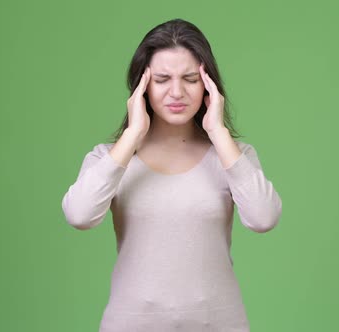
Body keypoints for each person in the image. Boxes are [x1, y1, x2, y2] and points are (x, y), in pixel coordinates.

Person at [61, 18, 283, 332]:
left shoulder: (233, 156)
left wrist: (218, 133)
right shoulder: (109, 158)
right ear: (142, 85)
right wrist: (133, 135)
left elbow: (264, 218)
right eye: (162, 79)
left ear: (208, 85)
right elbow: (79, 215)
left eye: (190, 78)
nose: (176, 92)